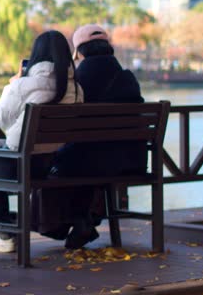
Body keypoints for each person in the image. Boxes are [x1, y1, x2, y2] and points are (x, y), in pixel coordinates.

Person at [0, 30, 84, 253]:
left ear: (36, 56)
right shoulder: (76, 89)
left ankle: (4, 234)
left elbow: (0, 119)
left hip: (16, 165)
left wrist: (12, 85)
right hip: (48, 164)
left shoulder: (24, 85)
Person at [44, 24, 146, 249]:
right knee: (83, 157)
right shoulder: (128, 78)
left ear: (79, 52)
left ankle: (70, 223)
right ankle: (84, 221)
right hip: (130, 161)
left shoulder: (78, 80)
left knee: (54, 164)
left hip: (90, 163)